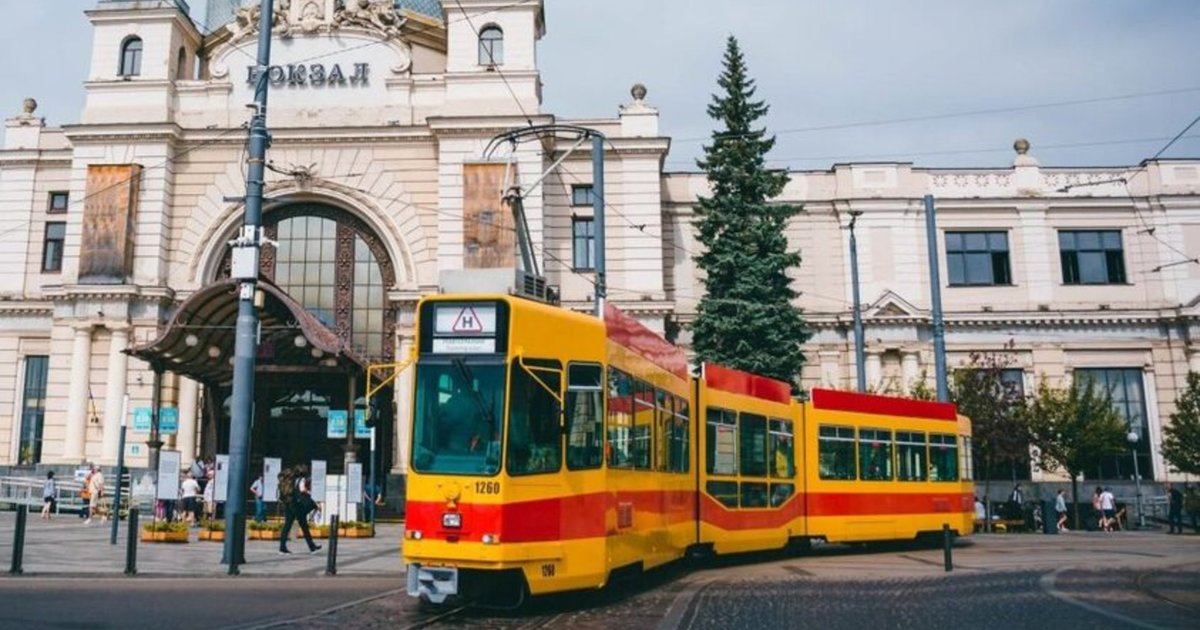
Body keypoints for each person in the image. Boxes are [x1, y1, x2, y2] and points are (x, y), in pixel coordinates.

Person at [279, 465, 321, 554]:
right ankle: (312, 547)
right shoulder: (299, 479)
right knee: (304, 526)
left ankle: (282, 547)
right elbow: (301, 490)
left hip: (288, 504)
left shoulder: (289, 480)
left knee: (287, 525)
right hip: (296, 505)